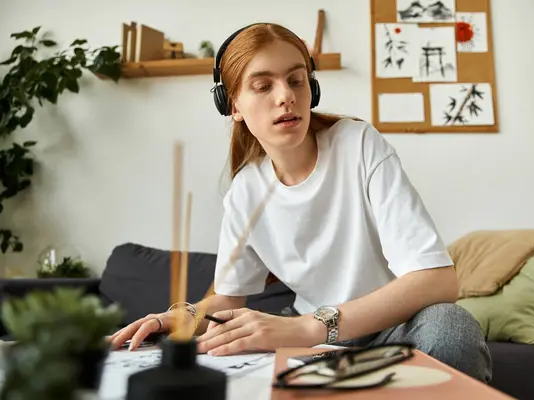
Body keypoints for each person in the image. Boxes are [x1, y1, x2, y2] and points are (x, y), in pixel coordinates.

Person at [110, 22, 492, 383]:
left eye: (296, 80)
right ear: (233, 106)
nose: (286, 96)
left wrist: (309, 325)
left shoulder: (358, 144)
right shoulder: (245, 191)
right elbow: (229, 296)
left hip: (386, 330)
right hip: (316, 344)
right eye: (263, 86)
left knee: (450, 328)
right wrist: (183, 315)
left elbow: (437, 280)